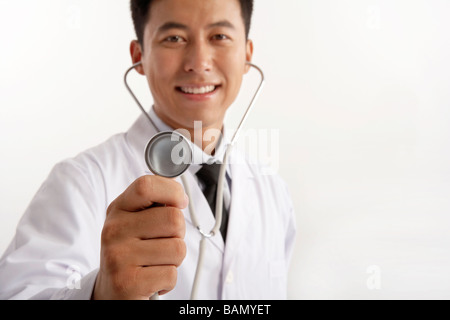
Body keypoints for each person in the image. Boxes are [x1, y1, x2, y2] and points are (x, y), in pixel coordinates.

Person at [0, 0, 296, 300]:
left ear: (247, 54)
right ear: (139, 56)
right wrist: (99, 294)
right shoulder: (81, 182)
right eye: (174, 38)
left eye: (219, 36)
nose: (199, 61)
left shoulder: (273, 191)